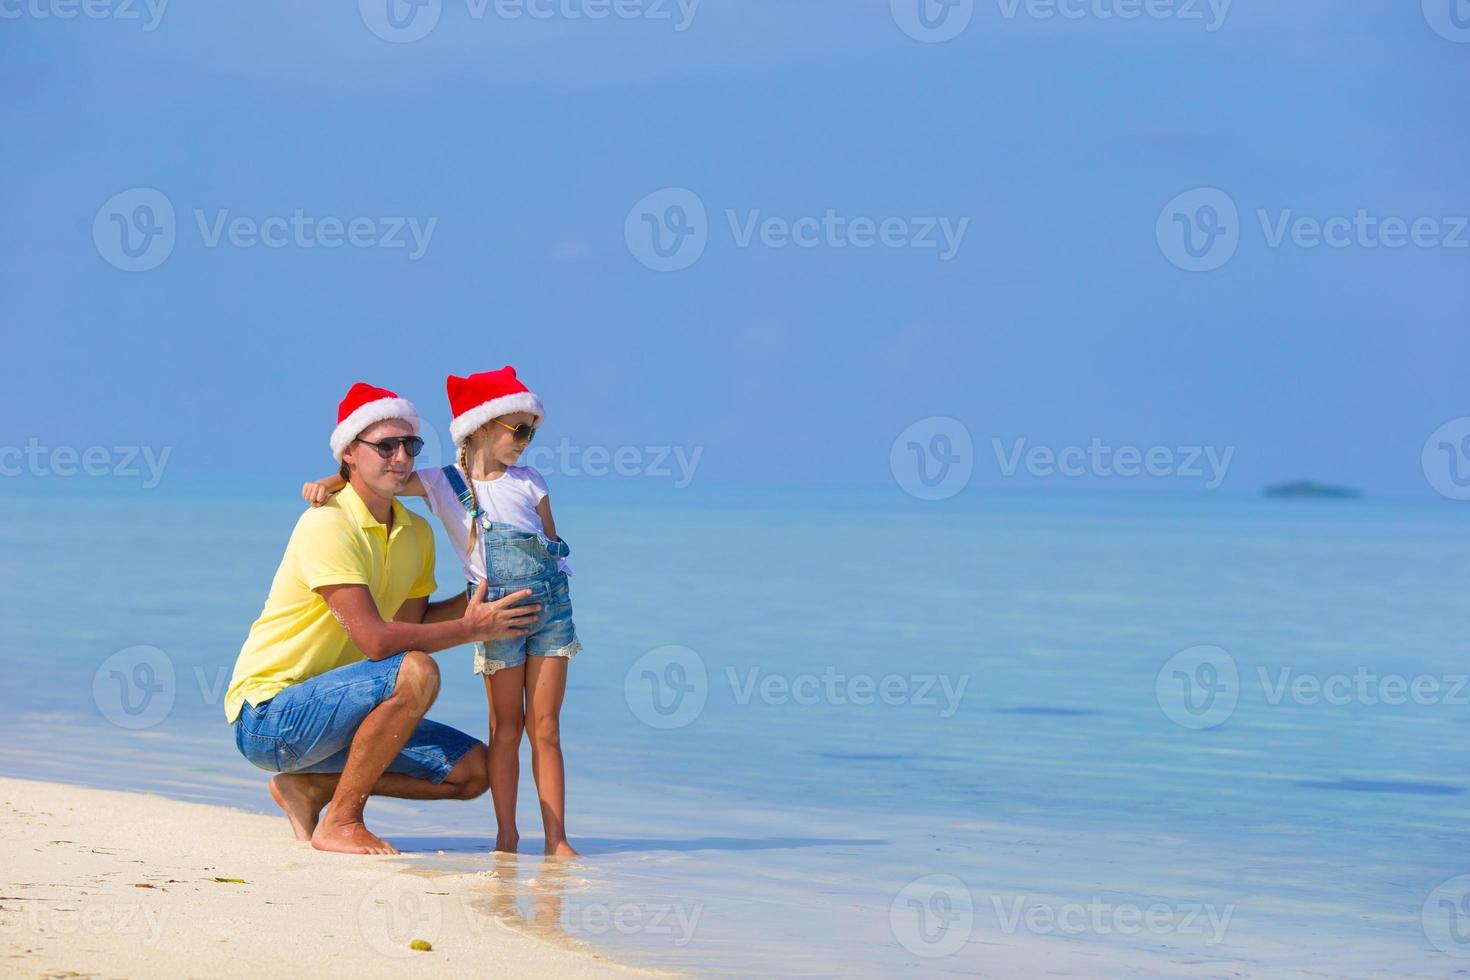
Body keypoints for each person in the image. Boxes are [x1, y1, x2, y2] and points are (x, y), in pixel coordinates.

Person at [227, 382, 541, 855]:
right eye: (385, 446)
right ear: (349, 453)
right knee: (417, 671)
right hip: (270, 717)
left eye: (409, 446)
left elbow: (410, 626)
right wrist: (472, 629)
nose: (400, 458)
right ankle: (342, 822)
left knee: (474, 771)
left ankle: (310, 789)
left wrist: (493, 594)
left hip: (345, 714)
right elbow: (378, 643)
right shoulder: (327, 522)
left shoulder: (416, 532)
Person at [303, 367, 582, 857]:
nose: (526, 441)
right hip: (495, 615)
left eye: (531, 431)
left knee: (547, 727)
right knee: (506, 728)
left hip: (550, 609)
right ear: (480, 427)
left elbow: (550, 546)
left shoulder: (531, 481)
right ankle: (507, 838)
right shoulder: (441, 483)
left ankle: (557, 841)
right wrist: (329, 480)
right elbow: (374, 475)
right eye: (518, 430)